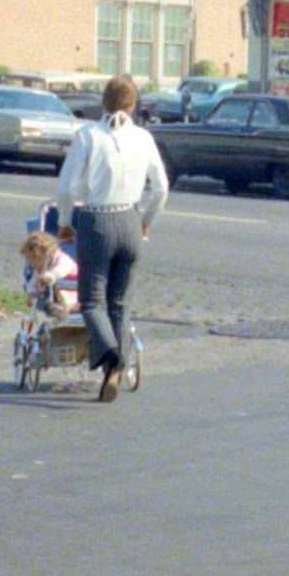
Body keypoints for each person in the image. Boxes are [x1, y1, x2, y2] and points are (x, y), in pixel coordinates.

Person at [54, 76, 168, 402]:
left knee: (91, 300)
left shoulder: (88, 136)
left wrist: (64, 221)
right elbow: (160, 188)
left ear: (103, 102)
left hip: (97, 220)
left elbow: (66, 188)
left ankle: (111, 354)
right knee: (120, 302)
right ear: (133, 105)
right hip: (131, 219)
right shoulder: (143, 137)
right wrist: (146, 221)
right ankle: (115, 371)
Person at [20, 231, 79, 318]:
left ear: (43, 255)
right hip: (56, 298)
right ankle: (54, 309)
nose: (31, 264)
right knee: (42, 299)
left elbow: (61, 269)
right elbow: (33, 281)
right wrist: (31, 293)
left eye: (32, 259)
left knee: (58, 292)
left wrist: (51, 276)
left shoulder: (62, 259)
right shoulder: (41, 268)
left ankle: (64, 309)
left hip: (73, 291)